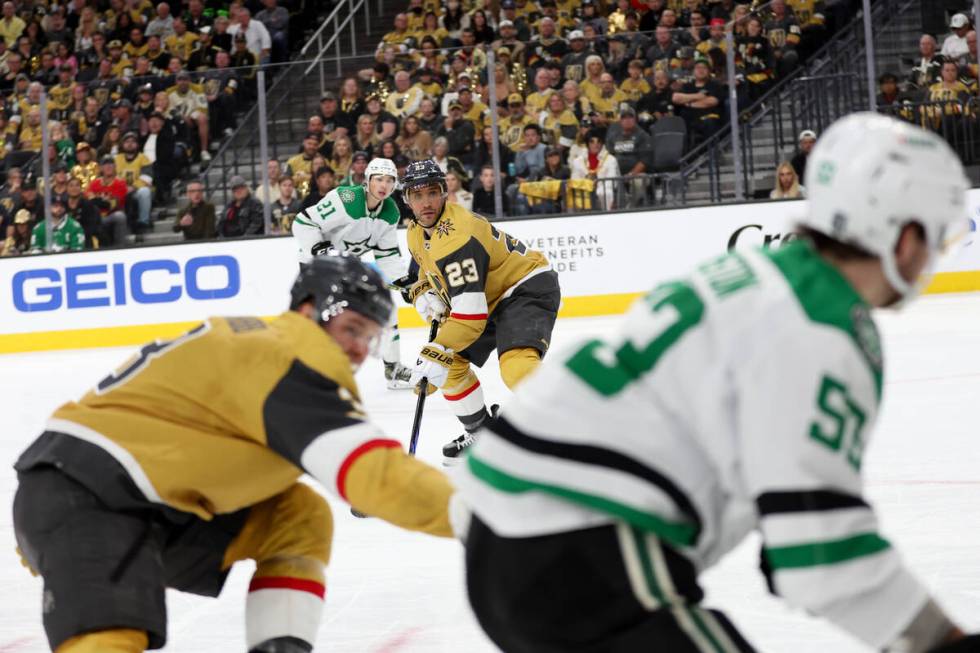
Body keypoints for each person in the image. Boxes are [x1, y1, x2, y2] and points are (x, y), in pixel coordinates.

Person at [454, 113, 979, 653]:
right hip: (573, 546)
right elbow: (818, 555)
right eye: (938, 240)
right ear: (906, 236)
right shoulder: (824, 326)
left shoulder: (760, 271)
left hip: (504, 517)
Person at [13, 254, 458, 653]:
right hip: (90, 498)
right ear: (308, 309)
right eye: (351, 328)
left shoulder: (260, 342)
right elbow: (378, 478)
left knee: (296, 515)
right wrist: (492, 514)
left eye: (371, 336)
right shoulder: (289, 355)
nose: (360, 348)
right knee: (109, 640)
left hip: (122, 495)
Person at [400, 160, 561, 464]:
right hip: (484, 297)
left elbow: (471, 318)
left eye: (432, 193)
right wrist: (424, 294)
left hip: (523, 286)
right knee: (449, 366)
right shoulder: (415, 231)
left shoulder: (458, 234)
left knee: (516, 369)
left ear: (444, 193)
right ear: (407, 200)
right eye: (417, 196)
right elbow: (421, 269)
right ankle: (484, 436)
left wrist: (436, 348)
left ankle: (576, 428)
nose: (426, 203)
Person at [292, 158, 415, 391]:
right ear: (367, 181)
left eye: (389, 180)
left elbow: (387, 254)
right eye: (379, 179)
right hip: (317, 266)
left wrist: (404, 282)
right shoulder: (346, 199)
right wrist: (320, 249)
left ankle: (394, 369)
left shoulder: (390, 212)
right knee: (322, 323)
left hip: (347, 268)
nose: (384, 185)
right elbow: (303, 223)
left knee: (387, 314)